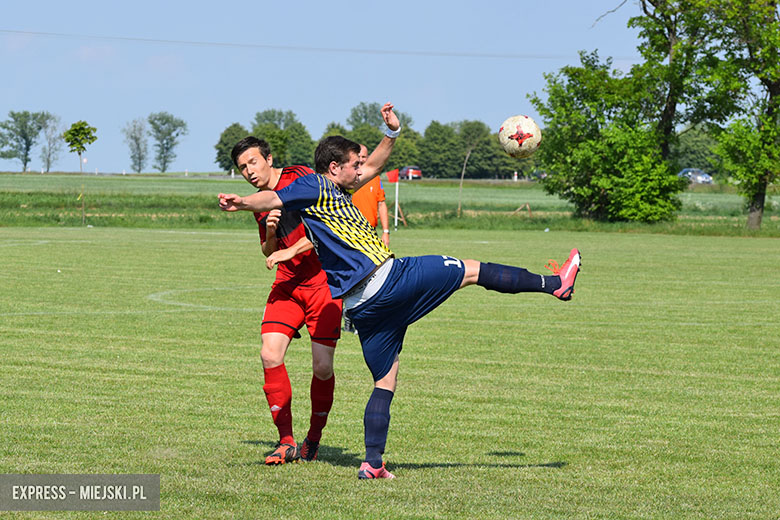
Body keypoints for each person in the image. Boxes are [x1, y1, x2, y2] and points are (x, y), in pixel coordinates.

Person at [219, 103, 581, 479]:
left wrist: (391, 132)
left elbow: (372, 163)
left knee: (385, 381)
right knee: (472, 270)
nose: (361, 170)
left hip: (362, 308)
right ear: (333, 168)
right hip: (390, 278)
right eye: (353, 165)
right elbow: (272, 199)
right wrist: (244, 202)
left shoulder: (334, 189)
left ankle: (372, 463)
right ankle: (556, 284)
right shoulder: (316, 184)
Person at [230, 136, 342, 465]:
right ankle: (287, 441)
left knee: (322, 368)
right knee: (269, 354)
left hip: (323, 283)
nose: (249, 171)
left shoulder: (301, 178)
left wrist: (290, 250)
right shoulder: (261, 200)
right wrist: (269, 233)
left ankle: (314, 439)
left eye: (252, 162)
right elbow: (268, 249)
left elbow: (327, 229)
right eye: (242, 168)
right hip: (288, 282)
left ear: (268, 158)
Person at [341, 143, 389, 334]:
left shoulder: (375, 178)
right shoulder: (347, 179)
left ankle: (365, 316)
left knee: (374, 277)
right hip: (350, 233)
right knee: (351, 277)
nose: (362, 159)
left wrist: (386, 231)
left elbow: (382, 204)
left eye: (365, 157)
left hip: (371, 234)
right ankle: (348, 315)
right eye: (358, 156)